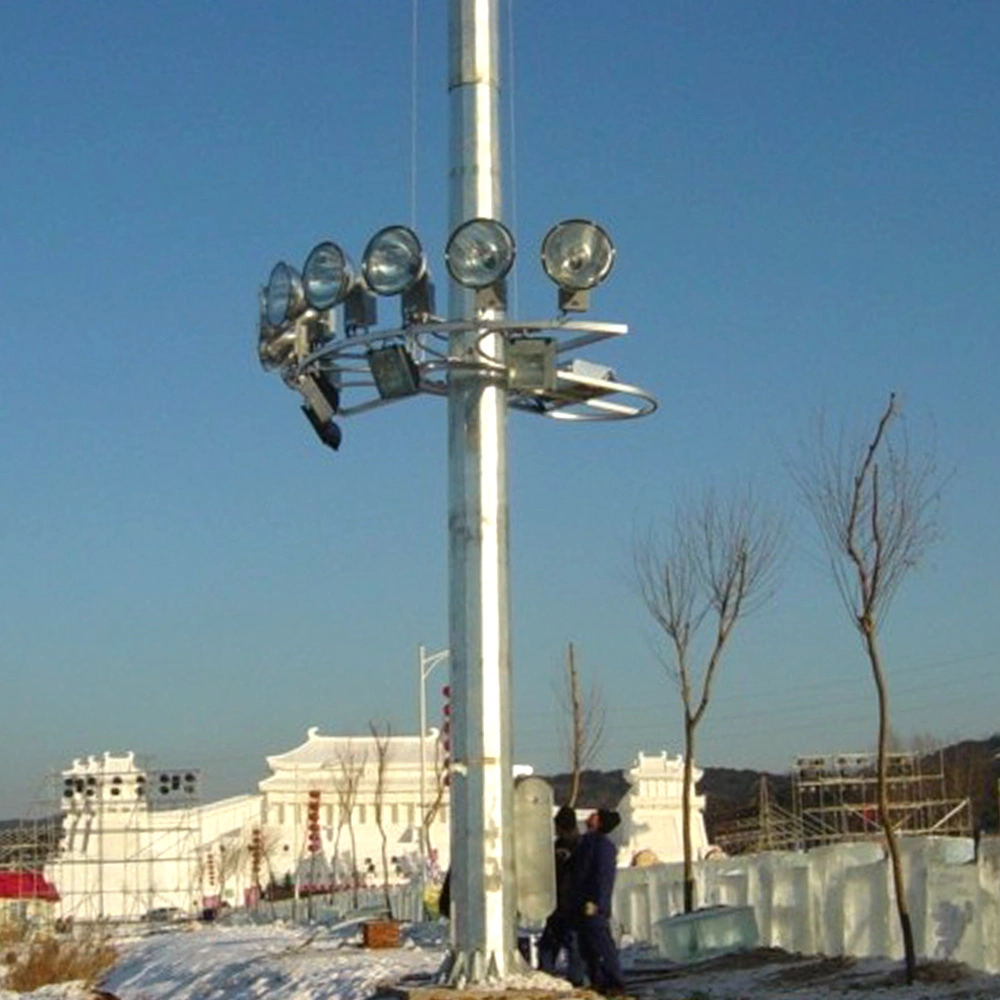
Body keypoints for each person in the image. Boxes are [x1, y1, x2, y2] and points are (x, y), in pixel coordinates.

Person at [572, 808, 626, 996]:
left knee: (601, 944)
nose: (590, 816)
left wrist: (597, 902)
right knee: (587, 945)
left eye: (595, 815)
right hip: (580, 901)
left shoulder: (603, 846)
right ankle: (598, 980)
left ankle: (615, 982)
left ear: (600, 822)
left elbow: (603, 877)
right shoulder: (587, 842)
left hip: (593, 904)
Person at [537, 805, 584, 985]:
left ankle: (576, 979)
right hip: (556, 903)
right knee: (548, 944)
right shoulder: (557, 846)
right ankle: (545, 975)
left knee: (573, 944)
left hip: (572, 903)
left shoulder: (580, 846)